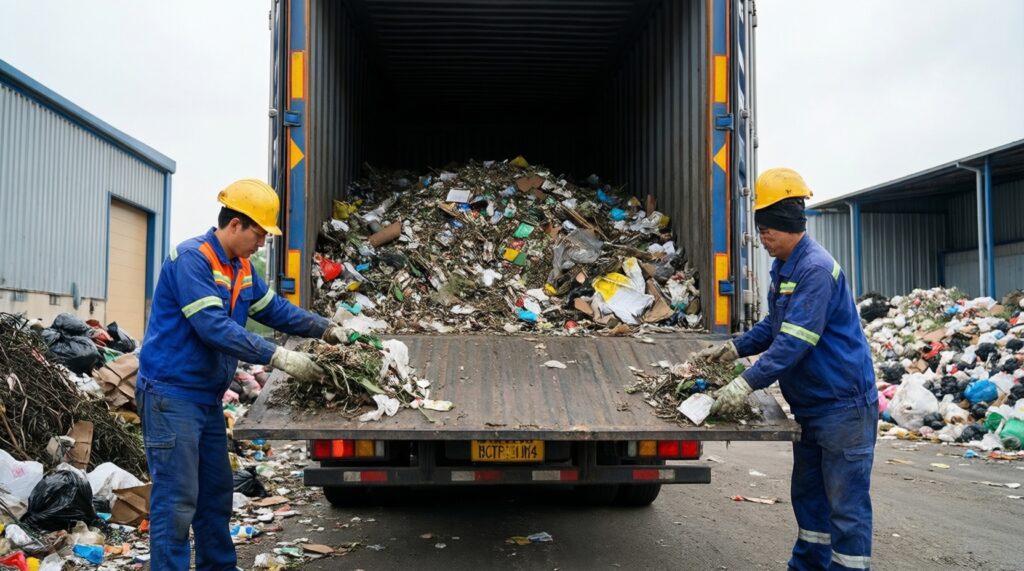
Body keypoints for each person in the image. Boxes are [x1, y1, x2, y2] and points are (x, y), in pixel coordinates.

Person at [137, 179, 351, 570]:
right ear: (235, 224)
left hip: (205, 399)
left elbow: (276, 311)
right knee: (177, 498)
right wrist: (280, 357)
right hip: (171, 396)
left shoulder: (242, 268)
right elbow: (213, 327)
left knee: (216, 493)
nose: (261, 243)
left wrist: (325, 328)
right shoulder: (192, 260)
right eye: (258, 234)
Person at [696, 168, 878, 571]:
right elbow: (774, 325)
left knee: (845, 508)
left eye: (767, 230)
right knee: (810, 499)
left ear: (789, 223)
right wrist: (733, 349)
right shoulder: (786, 266)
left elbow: (795, 342)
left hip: (843, 407)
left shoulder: (814, 269)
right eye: (759, 229)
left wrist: (745, 383)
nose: (762, 238)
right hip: (813, 407)